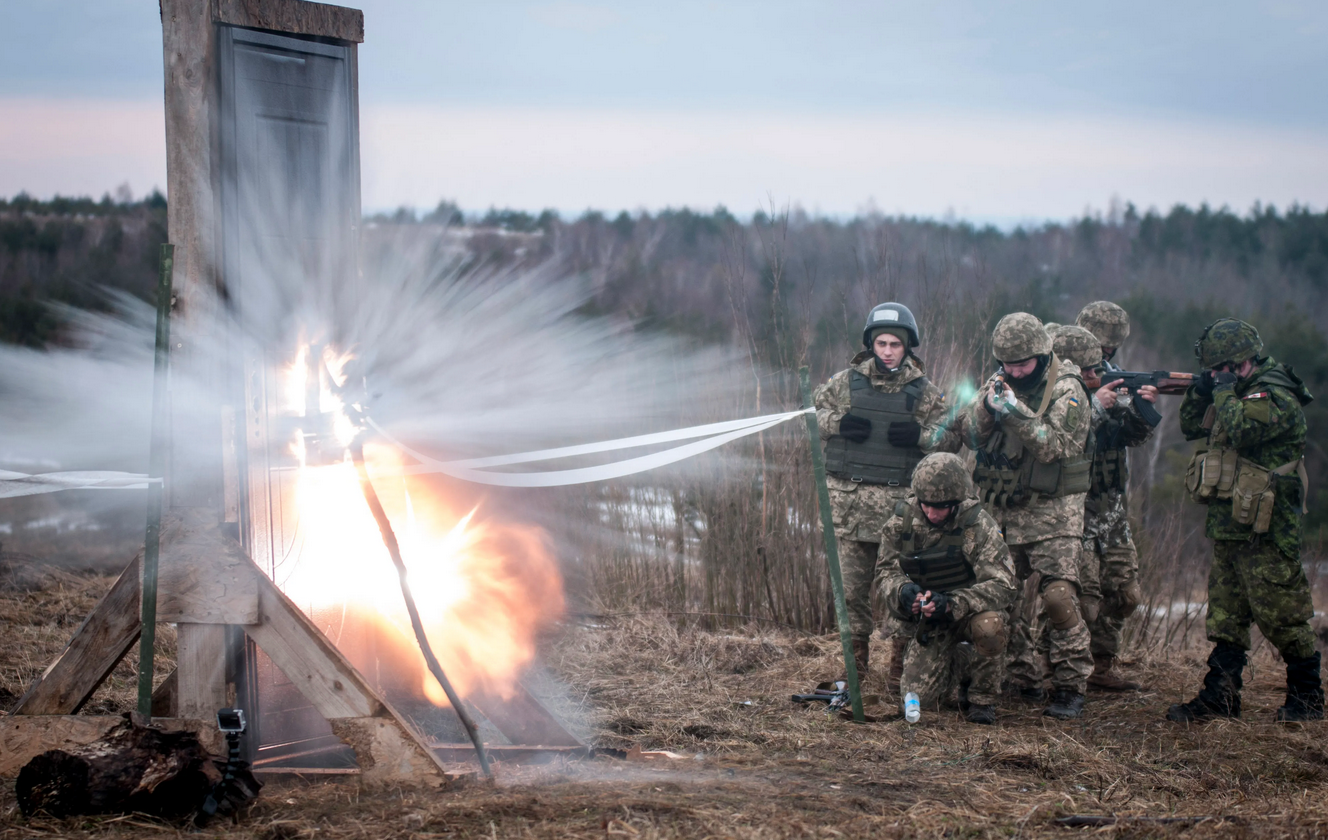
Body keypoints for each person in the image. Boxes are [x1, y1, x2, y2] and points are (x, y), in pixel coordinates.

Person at [1168, 318, 1320, 722]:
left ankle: (1308, 698)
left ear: (1239, 363)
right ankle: (1221, 696)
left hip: (1266, 527)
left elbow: (1241, 432)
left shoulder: (1274, 392)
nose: (1217, 376)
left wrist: (1221, 391)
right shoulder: (1233, 390)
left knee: (1281, 612)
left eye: (1220, 369)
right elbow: (1188, 426)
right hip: (1231, 522)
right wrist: (1201, 392)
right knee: (1226, 614)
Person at [951, 312, 1094, 719]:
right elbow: (970, 435)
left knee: (1058, 598)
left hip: (1054, 516)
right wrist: (988, 405)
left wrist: (1016, 413)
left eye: (1022, 364)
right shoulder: (1000, 381)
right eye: (1006, 363)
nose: (1014, 370)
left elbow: (1056, 446)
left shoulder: (1068, 389)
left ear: (1043, 355)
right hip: (1002, 514)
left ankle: (1069, 686)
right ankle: (1022, 677)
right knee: (997, 601)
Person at [814, 302, 960, 680]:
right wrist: (839, 423)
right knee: (849, 594)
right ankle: (855, 670)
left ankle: (900, 669)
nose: (888, 350)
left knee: (904, 593)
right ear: (871, 344)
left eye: (896, 343)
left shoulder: (925, 393)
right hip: (848, 507)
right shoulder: (843, 384)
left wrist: (922, 437)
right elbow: (806, 417)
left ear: (908, 346)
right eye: (881, 342)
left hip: (901, 514)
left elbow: (953, 440)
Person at [876, 453, 1017, 724]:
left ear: (956, 501)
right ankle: (961, 661)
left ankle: (982, 699)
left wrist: (953, 603)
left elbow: (1004, 585)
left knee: (990, 626)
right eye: (925, 505)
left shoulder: (978, 525)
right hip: (928, 619)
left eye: (940, 507)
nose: (931, 513)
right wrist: (903, 593)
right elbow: (884, 572)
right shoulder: (901, 522)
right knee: (920, 700)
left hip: (968, 614)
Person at [1073, 302, 1160, 690]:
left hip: (1111, 505)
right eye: (1098, 349)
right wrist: (1095, 405)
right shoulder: (1058, 381)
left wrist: (1142, 408)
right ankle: (1063, 669)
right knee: (1078, 598)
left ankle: (1102, 667)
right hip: (1072, 505)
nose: (1103, 357)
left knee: (1124, 592)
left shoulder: (1114, 378)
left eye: (1109, 350)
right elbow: (1056, 438)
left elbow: (1133, 437)